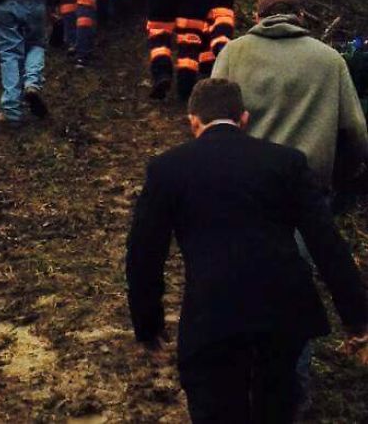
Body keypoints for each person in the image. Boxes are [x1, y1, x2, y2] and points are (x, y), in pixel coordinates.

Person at [126, 78, 368, 424]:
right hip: (284, 314)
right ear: (244, 119)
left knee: (215, 408)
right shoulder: (287, 162)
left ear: (192, 120)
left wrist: (147, 324)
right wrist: (356, 318)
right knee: (277, 405)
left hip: (212, 316)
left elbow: (144, 253)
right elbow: (326, 241)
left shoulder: (168, 169)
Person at [212, 0, 368, 193]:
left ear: (256, 17)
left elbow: (212, 118)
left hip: (246, 182)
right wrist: (340, 177)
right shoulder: (330, 59)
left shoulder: (232, 53)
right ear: (301, 16)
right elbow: (354, 131)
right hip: (307, 185)